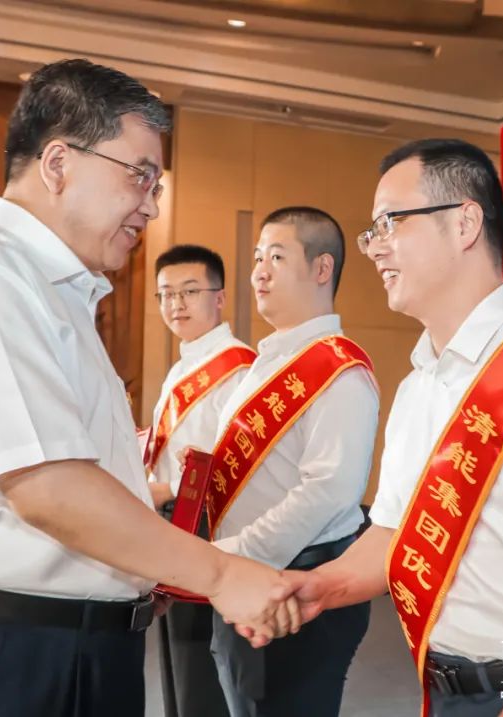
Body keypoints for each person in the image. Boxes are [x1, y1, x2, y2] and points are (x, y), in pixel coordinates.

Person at [0, 59, 303, 717]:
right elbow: (47, 486)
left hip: (73, 645)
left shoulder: (60, 293)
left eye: (156, 183)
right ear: (59, 163)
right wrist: (221, 574)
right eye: (139, 175)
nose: (151, 204)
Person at [284, 140, 503, 717]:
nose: (376, 248)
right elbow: (392, 535)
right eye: (372, 232)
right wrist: (317, 587)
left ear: (464, 223)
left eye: (390, 223)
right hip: (448, 691)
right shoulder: (417, 387)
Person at [207, 207, 380, 717]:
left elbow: (328, 491)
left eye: (277, 258)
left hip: (296, 589)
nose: (258, 271)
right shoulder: (266, 364)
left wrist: (236, 557)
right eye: (258, 257)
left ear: (322, 269)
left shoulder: (340, 371)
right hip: (248, 575)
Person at [148, 244, 254, 717]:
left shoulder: (239, 367)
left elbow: (232, 460)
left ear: (220, 297)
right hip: (173, 520)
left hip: (206, 524)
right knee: (175, 662)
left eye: (190, 291)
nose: (177, 304)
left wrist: (167, 490)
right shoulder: (183, 365)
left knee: (198, 664)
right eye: (166, 294)